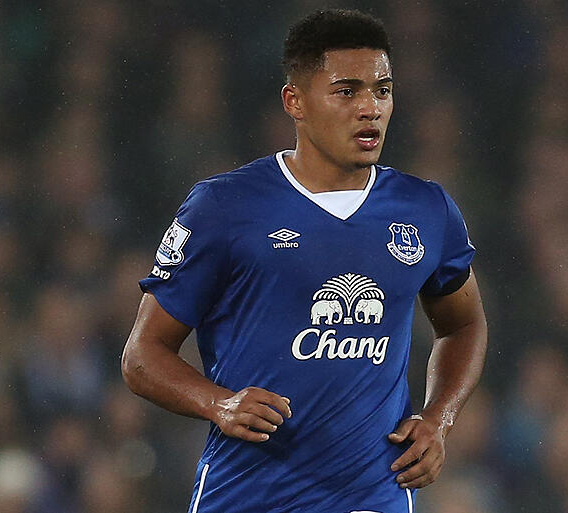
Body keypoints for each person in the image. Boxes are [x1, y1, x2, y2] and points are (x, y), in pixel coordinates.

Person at [122, 9, 487, 513]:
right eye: (347, 91)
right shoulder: (224, 206)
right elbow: (142, 357)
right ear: (295, 101)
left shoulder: (426, 209)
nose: (370, 108)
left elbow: (463, 325)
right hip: (248, 495)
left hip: (372, 494)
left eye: (382, 90)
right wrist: (219, 403)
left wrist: (438, 418)